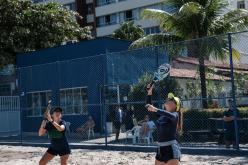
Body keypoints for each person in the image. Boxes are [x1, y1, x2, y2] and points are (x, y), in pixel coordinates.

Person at [146, 84, 182, 165]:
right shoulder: (161, 115)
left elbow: (171, 116)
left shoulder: (175, 114)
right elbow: (149, 107)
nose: (168, 100)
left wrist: (156, 109)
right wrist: (149, 93)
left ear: (176, 105)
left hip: (171, 149)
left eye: (171, 99)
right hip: (160, 149)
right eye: (168, 98)